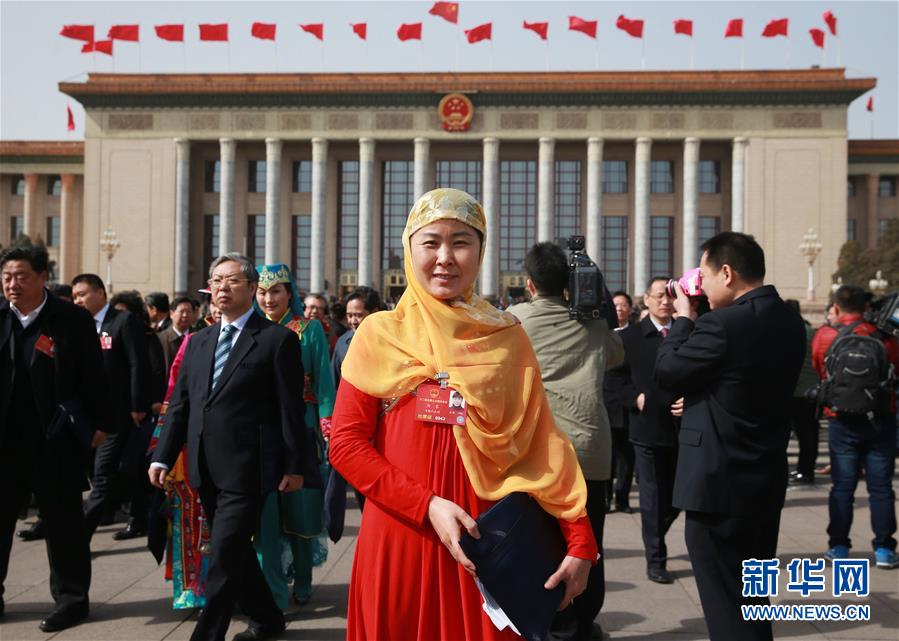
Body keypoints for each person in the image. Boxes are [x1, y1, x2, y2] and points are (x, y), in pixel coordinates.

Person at [329, 188, 597, 641]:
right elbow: (346, 445)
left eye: (461, 242)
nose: (445, 257)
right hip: (401, 536)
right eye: (430, 242)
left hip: (487, 545)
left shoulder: (508, 336)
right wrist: (427, 505)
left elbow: (540, 447)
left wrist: (580, 539)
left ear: (481, 250)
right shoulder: (379, 335)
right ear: (409, 249)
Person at [149, 253, 310, 641]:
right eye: (216, 280)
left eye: (232, 280)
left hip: (249, 467)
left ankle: (208, 635)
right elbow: (182, 406)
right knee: (234, 550)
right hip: (204, 465)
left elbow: (290, 409)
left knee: (222, 553)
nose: (222, 288)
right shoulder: (198, 342)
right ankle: (268, 619)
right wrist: (162, 456)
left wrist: (295, 465)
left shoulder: (277, 341)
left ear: (252, 289)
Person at [654, 232, 806, 641]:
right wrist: (704, 399)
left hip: (717, 487)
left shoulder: (722, 324)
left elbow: (667, 372)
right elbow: (745, 385)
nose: (699, 285)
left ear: (727, 272)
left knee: (725, 605)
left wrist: (684, 317)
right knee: (753, 601)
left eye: (703, 275)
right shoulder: (789, 320)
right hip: (764, 480)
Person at [508, 241, 623, 641]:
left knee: (540, 544)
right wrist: (599, 309)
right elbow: (616, 355)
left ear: (530, 284)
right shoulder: (593, 325)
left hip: (538, 456)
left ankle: (548, 622)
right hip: (590, 451)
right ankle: (583, 623)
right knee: (590, 546)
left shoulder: (514, 320)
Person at [1, 245, 109, 631]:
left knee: (63, 525)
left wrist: (99, 424)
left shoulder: (71, 320)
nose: (13, 284)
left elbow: (94, 376)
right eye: (7, 277)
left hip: (55, 438)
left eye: (22, 276)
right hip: (4, 441)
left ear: (42, 277)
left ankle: (72, 600)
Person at [254, 263, 336, 608]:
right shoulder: (251, 330)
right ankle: (269, 588)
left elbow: (324, 382)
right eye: (261, 291)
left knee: (301, 510)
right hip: (261, 432)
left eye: (275, 291)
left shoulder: (309, 329)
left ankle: (302, 580)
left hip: (301, 428)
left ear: (290, 293)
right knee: (264, 517)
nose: (268, 298)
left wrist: (329, 429)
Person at [811, 284, 899, 568]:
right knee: (881, 488)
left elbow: (821, 370)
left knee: (842, 487)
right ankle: (884, 549)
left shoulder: (825, 335)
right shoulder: (886, 337)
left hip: (841, 421)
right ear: (865, 308)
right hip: (881, 420)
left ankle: (838, 546)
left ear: (835, 308)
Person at [148, 292, 221, 610]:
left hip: (237, 454)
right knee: (190, 520)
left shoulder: (263, 339)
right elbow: (175, 399)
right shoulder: (195, 343)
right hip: (190, 450)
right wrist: (162, 450)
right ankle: (193, 586)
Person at [72, 274, 152, 542]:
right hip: (86, 417)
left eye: (83, 294)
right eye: (75, 297)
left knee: (104, 473)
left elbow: (136, 364)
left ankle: (79, 537)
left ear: (100, 293)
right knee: (97, 473)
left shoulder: (122, 321)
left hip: (116, 415)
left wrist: (138, 404)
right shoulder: (79, 324)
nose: (78, 300)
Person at [615, 277, 682, 585]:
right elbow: (613, 381)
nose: (666, 301)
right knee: (652, 498)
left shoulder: (687, 334)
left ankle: (655, 532)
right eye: (660, 296)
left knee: (678, 499)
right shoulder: (630, 337)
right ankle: (656, 559)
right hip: (646, 430)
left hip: (684, 430)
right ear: (647, 300)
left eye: (670, 296)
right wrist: (634, 397)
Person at [603, 290, 637, 514]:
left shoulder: (635, 335)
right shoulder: (602, 333)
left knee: (626, 454)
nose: (620, 309)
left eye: (624, 305)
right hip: (605, 399)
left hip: (626, 402)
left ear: (630, 309)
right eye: (616, 305)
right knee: (607, 456)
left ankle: (622, 499)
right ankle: (605, 499)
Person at [784, 299, 821, 487]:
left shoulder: (784, 331)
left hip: (789, 391)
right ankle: (806, 470)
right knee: (808, 435)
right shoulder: (811, 332)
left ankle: (787, 470)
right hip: (809, 392)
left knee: (783, 433)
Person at [158, 296, 198, 373]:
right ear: (171, 314)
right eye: (181, 311)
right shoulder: (161, 339)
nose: (185, 315)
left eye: (189, 312)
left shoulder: (198, 337)